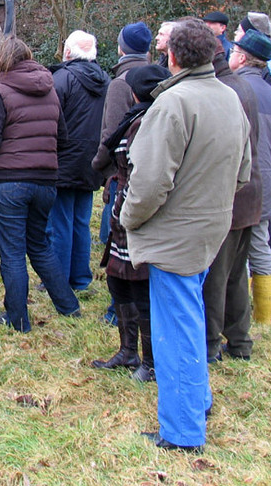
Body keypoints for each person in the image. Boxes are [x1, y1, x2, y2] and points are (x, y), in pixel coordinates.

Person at [121, 19, 251, 451]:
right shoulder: (229, 98)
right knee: (190, 317)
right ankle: (197, 401)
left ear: (171, 57)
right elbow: (243, 171)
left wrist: (128, 218)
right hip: (211, 228)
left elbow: (150, 182)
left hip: (176, 234)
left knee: (174, 330)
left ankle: (182, 431)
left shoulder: (173, 104)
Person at [0, 37, 82, 332]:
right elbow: (63, 138)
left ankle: (17, 319)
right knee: (39, 245)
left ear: (2, 60)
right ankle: (68, 306)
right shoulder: (50, 90)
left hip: (8, 181)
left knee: (11, 251)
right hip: (45, 179)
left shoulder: (0, 91)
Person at [90, 65, 169, 378]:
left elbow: (144, 173)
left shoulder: (148, 123)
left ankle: (150, 361)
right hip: (122, 213)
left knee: (139, 287)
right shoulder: (133, 120)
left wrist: (132, 211)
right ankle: (127, 352)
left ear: (137, 92)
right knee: (117, 279)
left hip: (138, 214)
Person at [203, 38, 262, 363]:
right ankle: (240, 342)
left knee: (216, 275)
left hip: (231, 195)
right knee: (236, 275)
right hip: (249, 194)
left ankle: (211, 345)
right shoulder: (241, 85)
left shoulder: (224, 92)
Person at [229, 30, 271, 325]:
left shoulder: (234, 91)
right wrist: (268, 175)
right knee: (260, 247)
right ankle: (263, 318)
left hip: (234, 185)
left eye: (233, 52)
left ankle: (238, 315)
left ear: (242, 58)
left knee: (232, 254)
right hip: (264, 186)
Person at [91, 21, 152, 325]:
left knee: (119, 248)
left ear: (121, 47)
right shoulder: (159, 76)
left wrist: (101, 167)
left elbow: (112, 132)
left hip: (123, 176)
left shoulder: (121, 83)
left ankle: (119, 312)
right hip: (151, 174)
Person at [47, 30, 109, 292]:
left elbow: (49, 119)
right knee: (81, 222)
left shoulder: (61, 79)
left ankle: (59, 280)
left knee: (60, 222)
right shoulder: (107, 80)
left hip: (63, 159)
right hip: (92, 161)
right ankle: (81, 278)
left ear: (68, 52)